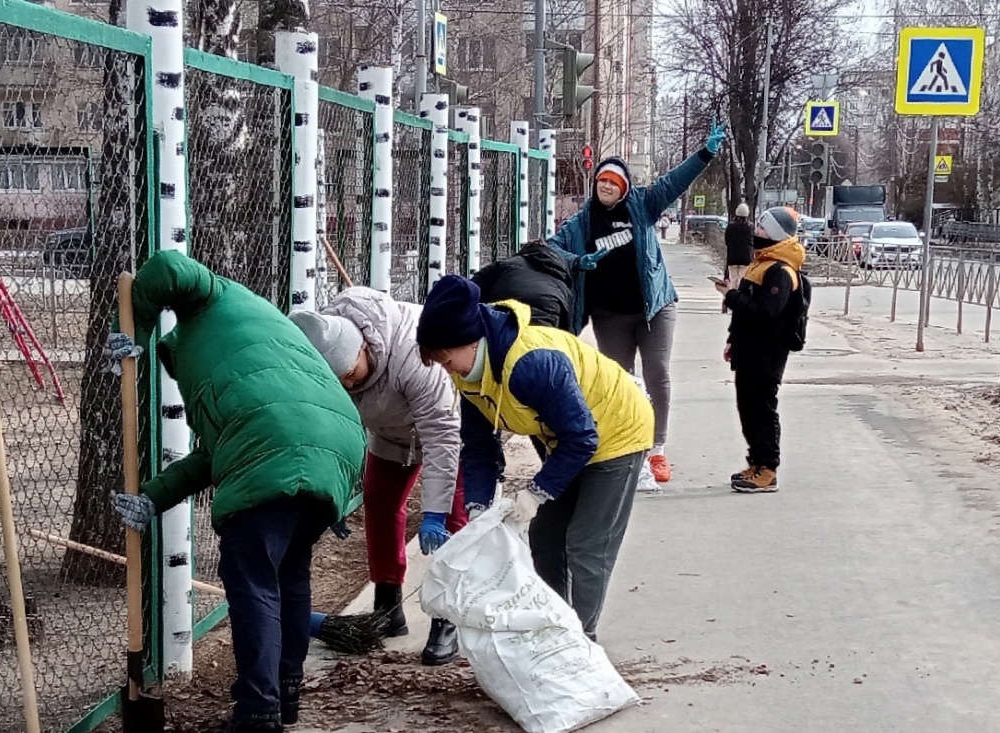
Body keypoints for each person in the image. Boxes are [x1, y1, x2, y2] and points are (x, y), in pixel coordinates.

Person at [107, 251, 365, 732]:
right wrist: (151, 498)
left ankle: (257, 713)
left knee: (253, 583)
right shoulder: (258, 343)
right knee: (289, 574)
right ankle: (285, 698)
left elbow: (167, 267)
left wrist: (136, 334)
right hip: (338, 446)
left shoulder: (212, 299)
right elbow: (216, 452)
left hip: (276, 442)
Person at [415, 275, 654, 641]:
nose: (447, 370)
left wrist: (538, 491)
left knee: (586, 543)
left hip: (617, 430)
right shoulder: (471, 376)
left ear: (469, 341)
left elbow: (582, 437)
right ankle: (553, 624)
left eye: (447, 360)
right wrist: (478, 506)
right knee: (546, 536)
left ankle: (580, 640)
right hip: (563, 434)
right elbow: (478, 447)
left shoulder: (529, 363)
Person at [289, 287, 464, 667]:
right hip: (391, 434)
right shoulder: (331, 358)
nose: (349, 385)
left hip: (452, 430)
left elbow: (442, 436)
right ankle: (388, 607)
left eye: (351, 374)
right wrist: (331, 493)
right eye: (340, 381)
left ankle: (447, 617)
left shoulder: (414, 355)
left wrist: (433, 512)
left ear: (363, 350)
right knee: (381, 505)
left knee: (453, 520)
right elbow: (331, 431)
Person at [548, 119, 727, 484]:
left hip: (654, 307)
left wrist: (705, 153)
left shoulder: (643, 205)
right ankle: (630, 444)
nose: (606, 189)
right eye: (601, 183)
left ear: (624, 187)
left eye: (613, 184)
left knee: (656, 372)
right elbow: (550, 249)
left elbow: (675, 182)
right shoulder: (582, 223)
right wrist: (576, 261)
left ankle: (657, 449)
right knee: (621, 380)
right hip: (610, 314)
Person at [714, 207, 806, 494]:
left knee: (762, 411)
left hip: (767, 353)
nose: (756, 232)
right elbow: (746, 310)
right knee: (748, 409)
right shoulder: (761, 263)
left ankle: (768, 469)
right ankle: (755, 462)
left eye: (763, 229)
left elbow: (765, 314)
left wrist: (730, 295)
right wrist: (733, 338)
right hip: (748, 349)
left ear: (777, 234)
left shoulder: (780, 271)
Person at [470, 239, 575, 331]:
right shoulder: (562, 285)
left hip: (503, 316)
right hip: (544, 324)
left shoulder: (507, 264)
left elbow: (472, 288)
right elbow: (565, 328)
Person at [724, 203, 753, 290]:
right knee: (741, 278)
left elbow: (727, 241)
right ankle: (739, 296)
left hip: (732, 257)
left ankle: (733, 295)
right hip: (746, 258)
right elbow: (753, 242)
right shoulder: (750, 227)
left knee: (733, 279)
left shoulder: (730, 226)